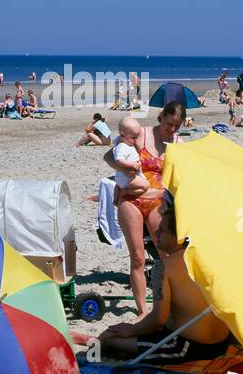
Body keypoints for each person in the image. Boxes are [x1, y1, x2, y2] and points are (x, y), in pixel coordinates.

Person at [97, 202, 234, 358]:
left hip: (189, 347)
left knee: (109, 337)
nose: (156, 234)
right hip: (224, 342)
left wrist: (131, 329)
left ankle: (100, 342)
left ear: (178, 236)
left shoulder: (163, 267)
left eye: (161, 230)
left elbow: (158, 320)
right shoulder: (208, 256)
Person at [105, 101, 184, 316]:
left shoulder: (178, 143)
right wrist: (122, 174)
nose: (173, 129)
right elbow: (109, 157)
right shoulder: (142, 135)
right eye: (170, 124)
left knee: (167, 255)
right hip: (131, 200)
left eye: (177, 125)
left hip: (158, 201)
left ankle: (169, 303)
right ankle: (141, 311)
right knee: (138, 257)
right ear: (161, 118)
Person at [110, 118, 154, 204]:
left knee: (118, 185)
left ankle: (115, 199)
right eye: (133, 138)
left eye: (137, 137)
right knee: (145, 186)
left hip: (121, 178)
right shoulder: (122, 146)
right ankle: (125, 192)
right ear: (122, 135)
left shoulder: (122, 141)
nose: (136, 140)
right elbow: (119, 160)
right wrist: (132, 165)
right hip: (128, 177)